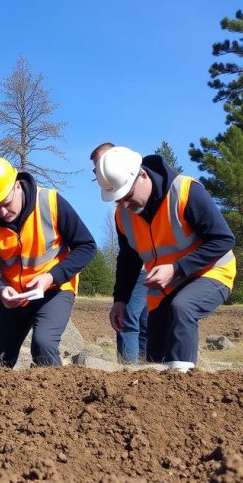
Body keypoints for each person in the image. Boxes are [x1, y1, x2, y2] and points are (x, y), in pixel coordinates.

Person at [94, 146, 236, 372]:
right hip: (167, 286)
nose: (123, 205)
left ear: (142, 176)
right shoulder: (123, 215)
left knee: (182, 308)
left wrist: (177, 268)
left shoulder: (186, 191)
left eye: (127, 196)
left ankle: (183, 384)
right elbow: (128, 260)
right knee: (156, 357)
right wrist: (120, 300)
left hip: (211, 272)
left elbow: (223, 239)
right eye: (117, 199)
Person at [0, 155, 97, 368]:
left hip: (55, 289)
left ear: (17, 186)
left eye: (5, 203)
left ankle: (57, 398)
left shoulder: (51, 203)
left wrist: (51, 277)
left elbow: (86, 246)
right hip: (13, 296)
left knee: (43, 344)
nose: (3, 213)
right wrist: (0, 290)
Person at [91, 142, 147, 364]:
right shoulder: (119, 213)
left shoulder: (141, 196)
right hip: (143, 269)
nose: (99, 173)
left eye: (100, 166)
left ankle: (129, 373)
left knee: (129, 322)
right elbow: (125, 255)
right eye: (96, 170)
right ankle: (146, 372)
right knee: (143, 323)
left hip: (147, 270)